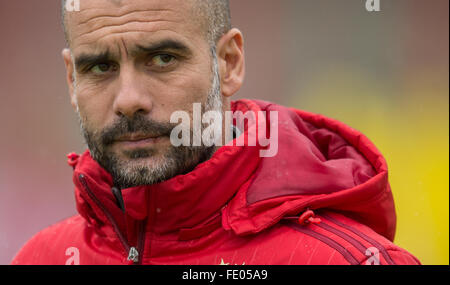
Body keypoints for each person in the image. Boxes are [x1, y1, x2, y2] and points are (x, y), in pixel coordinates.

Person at [11, 0, 420, 265]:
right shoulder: (40, 258)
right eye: (99, 67)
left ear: (228, 63)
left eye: (162, 58)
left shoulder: (347, 260)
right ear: (70, 80)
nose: (128, 100)